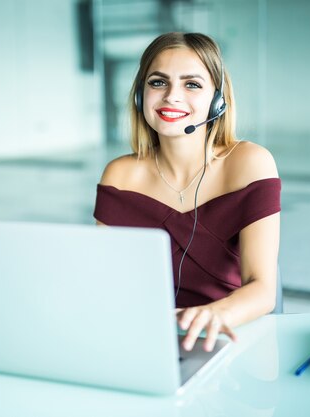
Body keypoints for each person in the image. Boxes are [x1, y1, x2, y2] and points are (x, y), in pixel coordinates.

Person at [93, 32, 281, 352]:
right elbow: (108, 282)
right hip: (143, 339)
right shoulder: (120, 175)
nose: (171, 97)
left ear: (218, 100)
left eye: (191, 84)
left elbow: (262, 289)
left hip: (227, 336)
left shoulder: (250, 163)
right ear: (140, 95)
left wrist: (211, 315)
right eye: (158, 82)